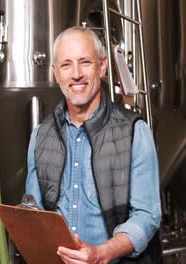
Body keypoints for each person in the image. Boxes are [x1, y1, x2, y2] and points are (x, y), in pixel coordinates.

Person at [25, 27, 162, 263]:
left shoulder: (134, 132)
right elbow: (34, 210)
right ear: (55, 73)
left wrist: (101, 253)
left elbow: (147, 215)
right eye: (66, 65)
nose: (76, 74)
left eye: (85, 62)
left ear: (102, 66)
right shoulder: (40, 135)